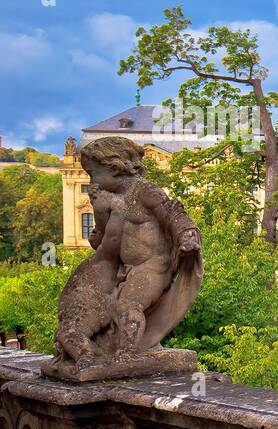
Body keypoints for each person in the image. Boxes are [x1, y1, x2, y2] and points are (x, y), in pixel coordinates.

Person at [49, 136, 202, 371]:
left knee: (127, 306)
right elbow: (103, 242)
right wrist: (99, 216)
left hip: (151, 266)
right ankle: (97, 352)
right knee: (99, 312)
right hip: (122, 269)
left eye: (93, 173)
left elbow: (172, 212)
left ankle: (128, 354)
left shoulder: (145, 191)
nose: (92, 180)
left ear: (115, 167)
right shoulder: (111, 199)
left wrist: (187, 232)